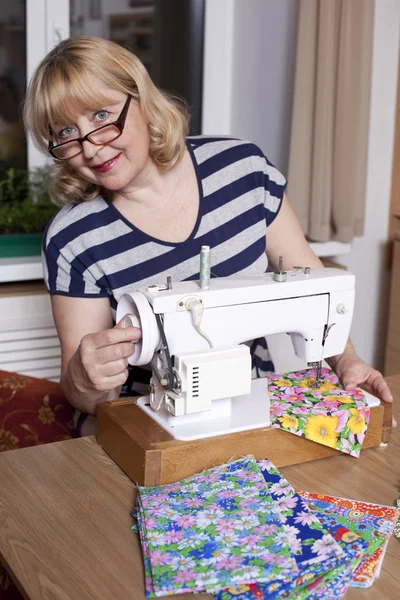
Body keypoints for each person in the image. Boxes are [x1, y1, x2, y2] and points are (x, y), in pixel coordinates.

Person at [23, 36, 394, 436]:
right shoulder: (73, 237)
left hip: (250, 404)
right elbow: (84, 397)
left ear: (142, 99)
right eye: (66, 132)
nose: (91, 146)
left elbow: (311, 282)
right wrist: (85, 376)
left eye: (100, 115)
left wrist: (347, 361)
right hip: (138, 426)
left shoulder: (243, 172)